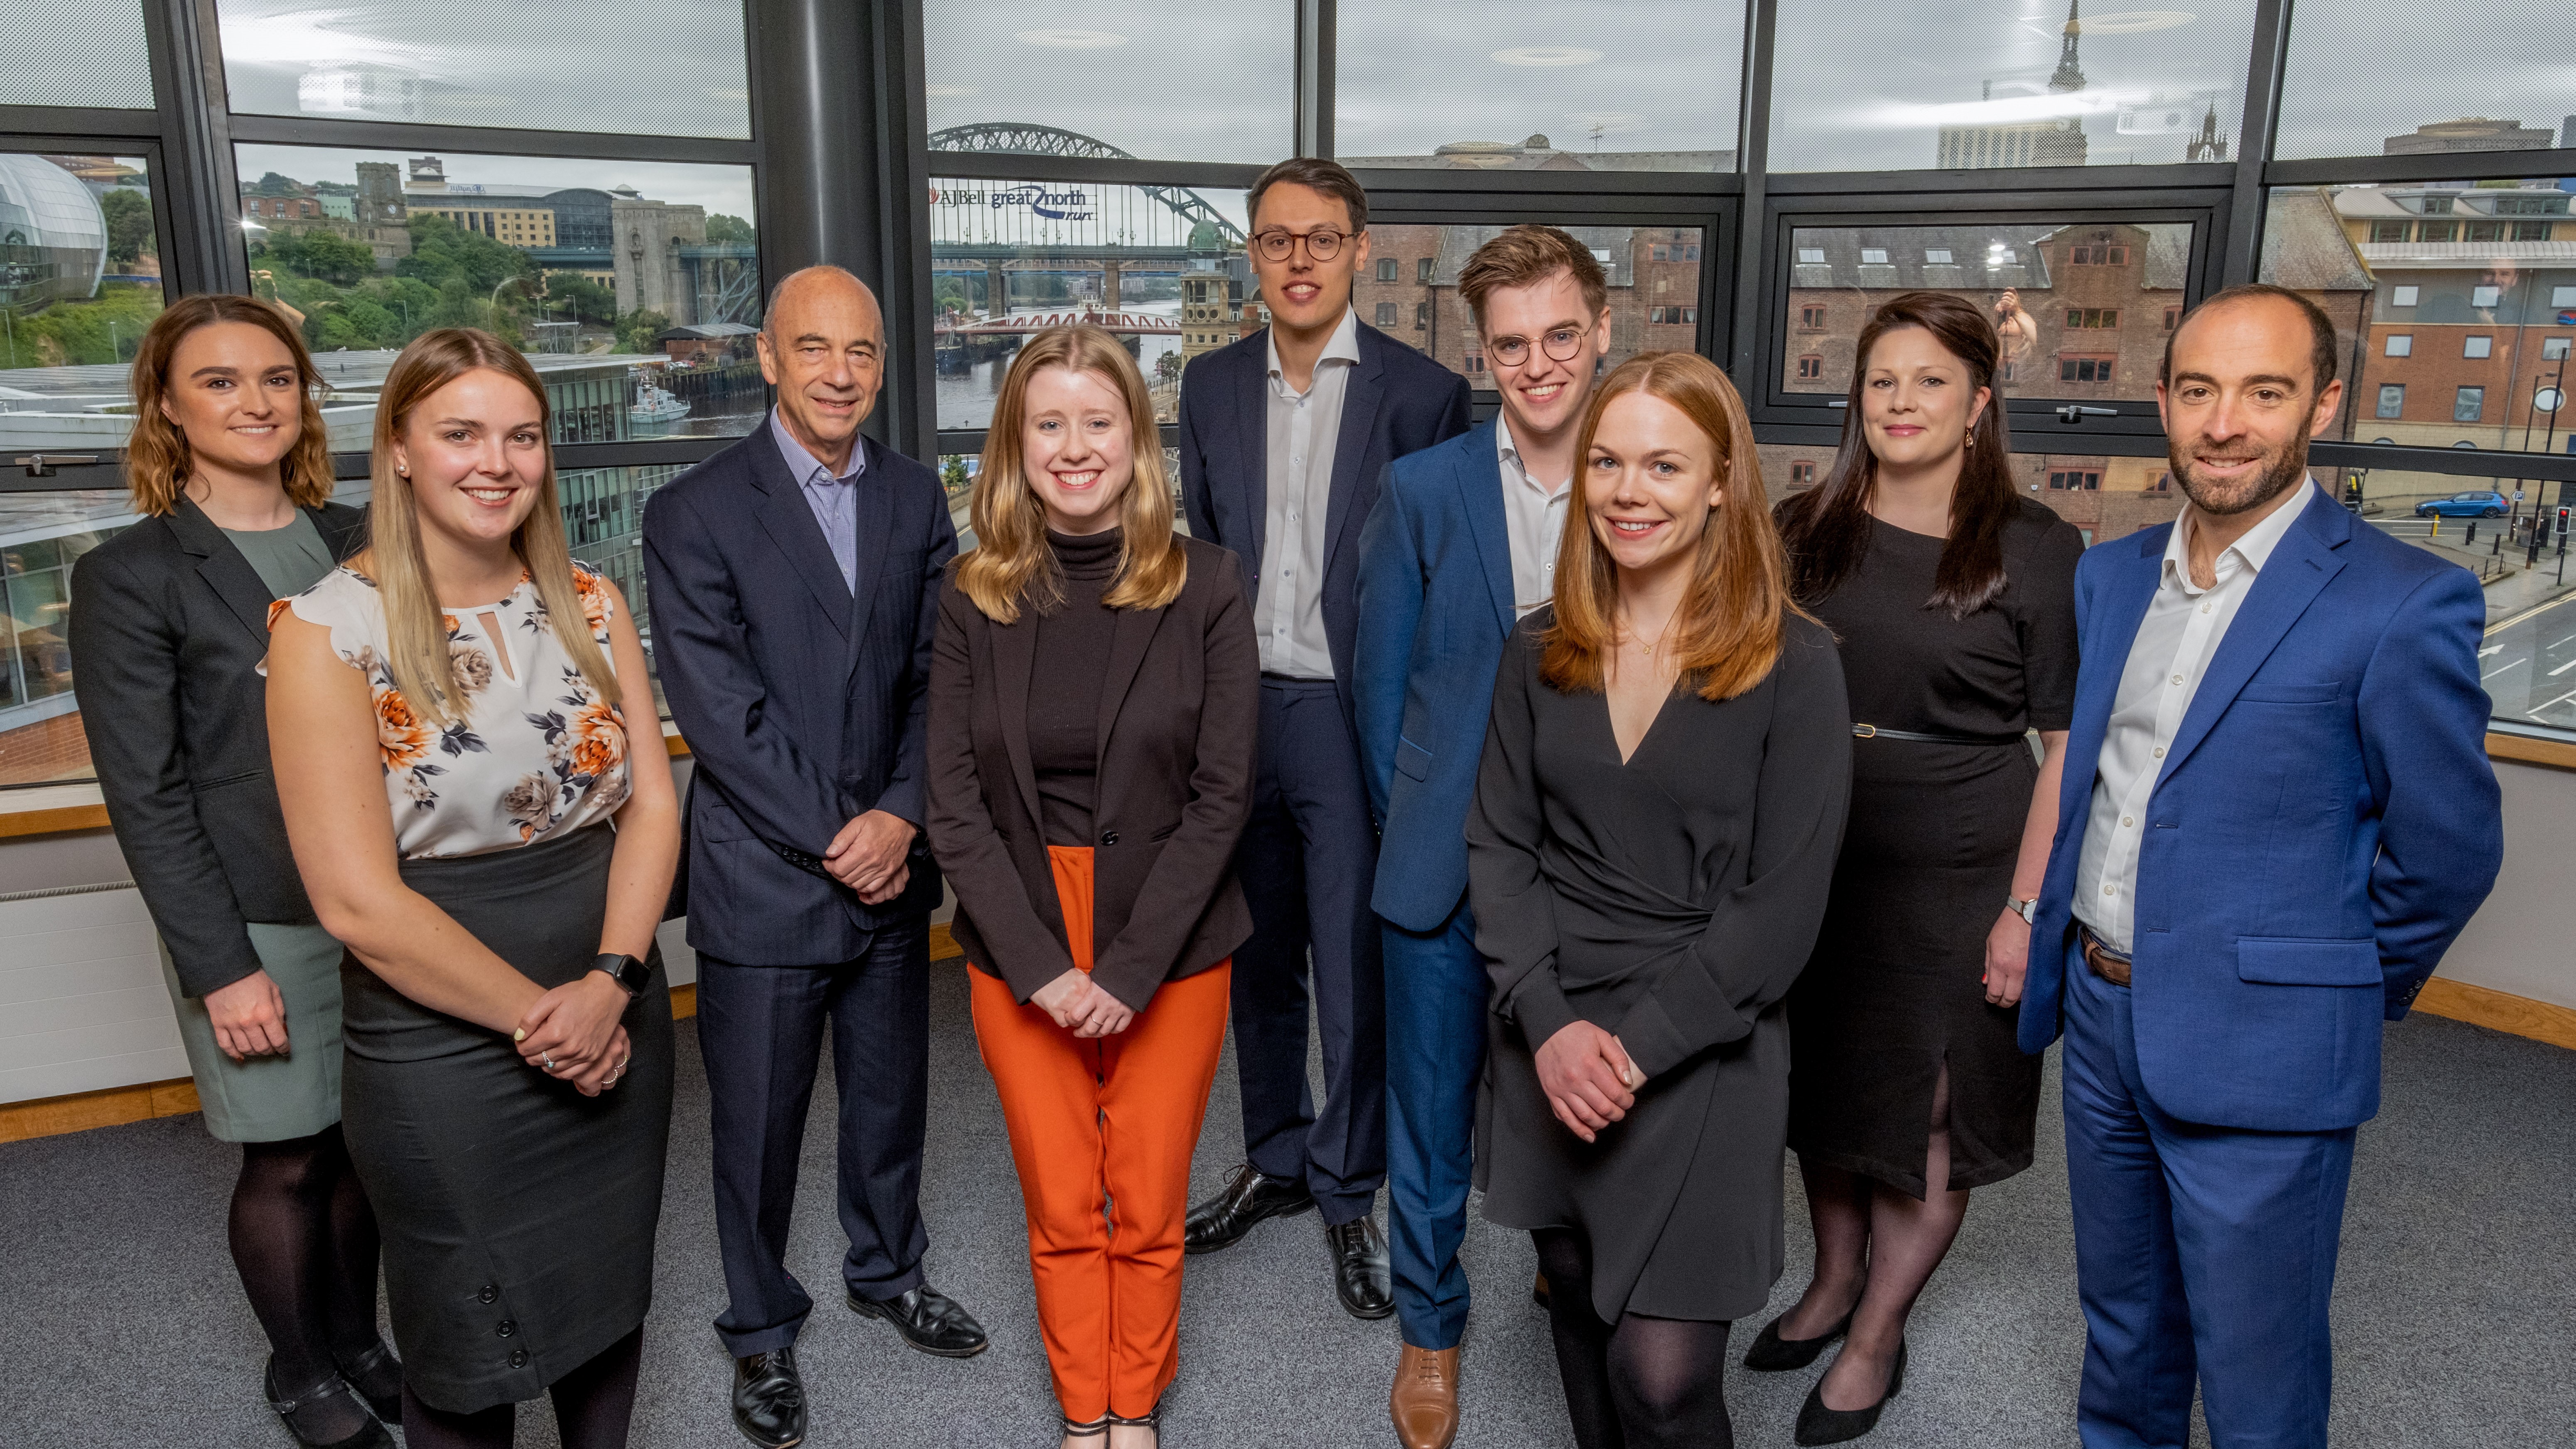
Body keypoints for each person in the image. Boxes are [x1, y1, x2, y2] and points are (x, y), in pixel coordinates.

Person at [2020, 284, 2502, 1449]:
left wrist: (2322, 980)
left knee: (2256, 1370)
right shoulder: (2112, 574)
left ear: (2322, 404)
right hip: (2101, 1009)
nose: (2223, 423)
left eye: (2262, 392)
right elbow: (2104, 781)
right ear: (2162, 401)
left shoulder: (2400, 598)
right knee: (2124, 1328)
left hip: (2266, 1041)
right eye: (2197, 390)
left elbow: (2444, 850)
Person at [265, 328, 681, 1449]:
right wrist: (548, 1019)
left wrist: (610, 980)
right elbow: (356, 902)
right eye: (461, 434)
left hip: (613, 976)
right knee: (466, 1341)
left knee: (608, 1295)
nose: (496, 462)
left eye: (522, 435)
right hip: (440, 1031)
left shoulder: (591, 600)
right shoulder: (325, 632)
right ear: (399, 447)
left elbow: (650, 802)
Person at [1469, 351, 1850, 1449]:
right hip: (1546, 1026)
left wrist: (1628, 1053)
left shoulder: (1797, 664)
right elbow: (1497, 843)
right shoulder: (1536, 644)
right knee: (1578, 1301)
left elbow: (1781, 910)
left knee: (1664, 1377)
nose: (1628, 490)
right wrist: (1546, 1027)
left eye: (1662, 464)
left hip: (1701, 1039)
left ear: (1723, 479)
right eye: (1606, 461)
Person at [640, 265, 982, 1449]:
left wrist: (900, 815)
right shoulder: (691, 511)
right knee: (758, 1126)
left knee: (890, 1101)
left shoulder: (914, 495)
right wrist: (847, 836)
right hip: (767, 874)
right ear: (771, 360)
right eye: (815, 349)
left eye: (864, 352)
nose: (842, 373)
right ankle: (760, 1326)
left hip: (891, 867)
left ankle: (889, 1272)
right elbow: (719, 712)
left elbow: (946, 676)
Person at [68, 295, 391, 1449]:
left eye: (275, 377)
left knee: (363, 1140)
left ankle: (361, 1342)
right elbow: (146, 794)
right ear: (166, 403)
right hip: (256, 923)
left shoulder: (355, 535)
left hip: (379, 905)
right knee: (290, 1152)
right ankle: (300, 1371)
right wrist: (222, 968)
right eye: (218, 380)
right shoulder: (131, 575)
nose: (254, 401)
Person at [926, 325, 1258, 1449]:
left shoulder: (1207, 584)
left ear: (1135, 439)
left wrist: (1122, 969)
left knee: (1150, 1200)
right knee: (1064, 1200)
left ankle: (1137, 1405)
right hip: (1019, 931)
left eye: (1097, 422)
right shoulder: (971, 593)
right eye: (1049, 423)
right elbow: (953, 801)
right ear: (1017, 443)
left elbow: (1223, 796)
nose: (1075, 447)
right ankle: (1085, 1413)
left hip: (1169, 934)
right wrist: (1040, 967)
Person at [1759, 292, 2083, 1444]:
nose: (1901, 402)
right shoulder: (1804, 524)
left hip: (1964, 863)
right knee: (1829, 1096)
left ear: (1978, 403)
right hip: (1818, 851)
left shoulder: (2037, 547)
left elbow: (2060, 754)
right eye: (1883, 380)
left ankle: (1874, 1332)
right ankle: (1832, 1281)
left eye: (1930, 381)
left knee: (1931, 1112)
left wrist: (2023, 910)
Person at [1176, 157, 1472, 1315]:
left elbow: (1441, 580)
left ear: (1357, 249)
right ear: (1251, 255)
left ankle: (1350, 1187)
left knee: (1353, 966)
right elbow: (1200, 556)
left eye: (1322, 238)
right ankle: (1280, 1155)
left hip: (1355, 716)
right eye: (1276, 239)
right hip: (1239, 711)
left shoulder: (1421, 394)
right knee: (1255, 953)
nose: (1298, 259)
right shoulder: (1207, 388)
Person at [1353, 225, 1612, 1449]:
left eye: (1560, 335)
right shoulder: (1422, 489)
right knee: (1430, 1111)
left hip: (1599, 870)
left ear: (1601, 330)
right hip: (1443, 865)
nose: (1538, 363)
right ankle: (1431, 1327)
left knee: (1590, 1095)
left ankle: (1580, 1273)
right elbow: (1380, 697)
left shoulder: (1643, 474)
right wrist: (1422, 833)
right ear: (1481, 350)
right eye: (1511, 343)